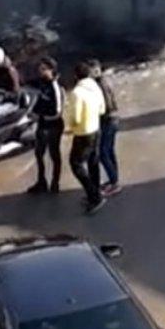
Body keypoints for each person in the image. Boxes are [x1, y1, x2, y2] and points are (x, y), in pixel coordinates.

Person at [64, 61, 107, 214]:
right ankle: (96, 190)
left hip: (83, 133)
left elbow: (75, 117)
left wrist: (70, 128)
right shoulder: (95, 86)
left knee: (75, 164)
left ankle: (94, 196)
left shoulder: (77, 93)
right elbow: (102, 109)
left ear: (76, 76)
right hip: (96, 129)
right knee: (93, 162)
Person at [27, 56, 64, 194]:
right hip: (42, 124)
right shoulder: (41, 82)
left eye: (44, 69)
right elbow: (27, 85)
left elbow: (57, 112)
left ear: (51, 70)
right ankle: (41, 182)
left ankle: (55, 183)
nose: (40, 72)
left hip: (53, 125)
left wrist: (39, 115)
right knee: (39, 153)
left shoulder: (55, 87)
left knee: (54, 155)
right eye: (40, 69)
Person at [88, 58, 121, 196]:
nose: (93, 72)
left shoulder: (100, 84)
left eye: (94, 70)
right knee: (109, 151)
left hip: (107, 121)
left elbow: (106, 106)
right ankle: (114, 179)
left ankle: (114, 183)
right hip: (113, 120)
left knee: (102, 153)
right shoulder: (104, 81)